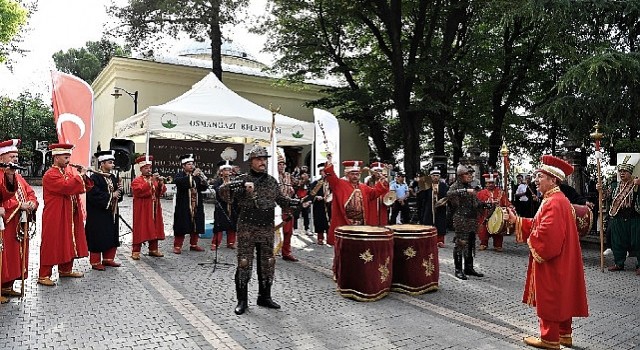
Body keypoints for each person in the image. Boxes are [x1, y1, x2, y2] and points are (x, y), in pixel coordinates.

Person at [506, 155, 588, 349]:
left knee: (550, 295)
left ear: (553, 180)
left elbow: (547, 236)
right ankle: (564, 335)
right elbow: (538, 224)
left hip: (553, 260)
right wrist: (517, 221)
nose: (535, 179)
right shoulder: (558, 199)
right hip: (564, 259)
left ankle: (550, 338)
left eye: (540, 176)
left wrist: (532, 237)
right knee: (563, 294)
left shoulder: (553, 202)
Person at [219, 145, 299, 315]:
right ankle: (242, 301)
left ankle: (265, 297)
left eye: (264, 159)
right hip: (247, 227)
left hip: (266, 228)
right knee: (244, 263)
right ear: (251, 161)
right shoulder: (243, 178)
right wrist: (240, 184)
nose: (263, 162)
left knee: (268, 263)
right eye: (259, 159)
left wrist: (296, 203)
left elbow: (281, 199)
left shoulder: (271, 181)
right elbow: (223, 193)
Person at [39, 143, 93, 286]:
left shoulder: (67, 172)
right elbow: (67, 187)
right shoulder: (50, 174)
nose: (69, 160)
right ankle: (44, 275)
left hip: (69, 213)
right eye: (65, 157)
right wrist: (80, 176)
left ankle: (65, 269)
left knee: (69, 239)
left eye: (69, 156)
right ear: (56, 157)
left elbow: (82, 188)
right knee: (52, 242)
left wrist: (84, 176)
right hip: (55, 214)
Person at [0, 139, 38, 298]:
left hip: (18, 224)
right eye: (11, 156)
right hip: (5, 224)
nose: (15, 159)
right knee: (4, 256)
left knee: (16, 255)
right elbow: (4, 197)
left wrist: (31, 203)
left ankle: (7, 286)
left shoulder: (18, 176)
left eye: (16, 156)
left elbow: (30, 193)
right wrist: (18, 205)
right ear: (1, 158)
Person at [324, 155, 389, 246]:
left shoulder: (363, 187)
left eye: (357, 174)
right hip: (345, 222)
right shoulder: (339, 184)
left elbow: (374, 193)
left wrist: (382, 182)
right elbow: (331, 176)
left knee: (359, 247)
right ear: (347, 174)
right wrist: (330, 163)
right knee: (345, 247)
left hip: (361, 224)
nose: (355, 176)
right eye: (352, 174)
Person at [85, 150, 123, 271]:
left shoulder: (112, 177)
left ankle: (108, 259)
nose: (112, 165)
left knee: (111, 233)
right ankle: (95, 262)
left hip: (111, 212)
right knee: (98, 235)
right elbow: (93, 195)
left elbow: (118, 195)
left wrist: (119, 192)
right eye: (110, 162)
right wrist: (112, 195)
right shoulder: (94, 177)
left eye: (113, 162)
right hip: (98, 213)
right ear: (102, 163)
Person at [447, 164, 485, 280]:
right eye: (467, 174)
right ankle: (458, 269)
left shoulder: (471, 187)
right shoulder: (455, 186)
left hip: (471, 219)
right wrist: (464, 191)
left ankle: (468, 267)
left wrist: (486, 204)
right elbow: (449, 195)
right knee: (461, 243)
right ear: (460, 175)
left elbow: (476, 203)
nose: (470, 176)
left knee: (471, 243)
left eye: (471, 174)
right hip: (461, 218)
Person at [602, 158, 640, 274]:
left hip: (634, 217)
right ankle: (619, 263)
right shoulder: (614, 186)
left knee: (637, 241)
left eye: (625, 171)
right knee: (618, 241)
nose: (622, 173)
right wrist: (600, 189)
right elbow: (606, 196)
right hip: (618, 217)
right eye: (621, 171)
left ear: (630, 173)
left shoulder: (636, 184)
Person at [130, 154, 166, 260]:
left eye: (150, 167)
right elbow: (140, 191)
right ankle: (136, 250)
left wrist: (160, 184)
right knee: (140, 228)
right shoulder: (137, 180)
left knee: (154, 227)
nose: (149, 170)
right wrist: (150, 182)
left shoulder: (154, 179)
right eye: (146, 168)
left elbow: (160, 193)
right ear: (141, 169)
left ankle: (153, 249)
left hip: (154, 208)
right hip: (142, 209)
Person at [172, 154, 208, 254]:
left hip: (196, 203)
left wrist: (203, 180)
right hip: (184, 205)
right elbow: (181, 183)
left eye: (192, 164)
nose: (191, 166)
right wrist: (193, 176)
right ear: (183, 166)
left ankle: (194, 244)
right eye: (189, 164)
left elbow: (204, 187)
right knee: (181, 224)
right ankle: (177, 246)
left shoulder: (197, 175)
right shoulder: (179, 175)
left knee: (196, 224)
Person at [476, 172, 514, 252]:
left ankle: (498, 245)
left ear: (495, 183)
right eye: (488, 183)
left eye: (492, 183)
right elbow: (477, 203)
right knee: (484, 230)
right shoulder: (481, 193)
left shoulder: (501, 193)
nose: (490, 184)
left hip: (497, 215)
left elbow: (506, 203)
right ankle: (483, 243)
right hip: (485, 215)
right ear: (486, 184)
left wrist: (510, 207)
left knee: (498, 229)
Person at [211, 160, 238, 250]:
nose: (228, 172)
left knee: (232, 224)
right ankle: (215, 243)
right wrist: (225, 185)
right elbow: (217, 189)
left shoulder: (234, 180)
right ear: (221, 171)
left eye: (229, 170)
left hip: (232, 205)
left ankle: (231, 242)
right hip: (221, 205)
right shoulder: (218, 181)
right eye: (225, 170)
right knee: (219, 224)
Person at [277, 151, 298, 261]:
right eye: (279, 164)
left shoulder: (288, 176)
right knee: (276, 229)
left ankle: (286, 252)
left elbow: (298, 184)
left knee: (288, 231)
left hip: (288, 206)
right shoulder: (273, 176)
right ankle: (272, 250)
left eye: (283, 164)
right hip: (276, 207)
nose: (281, 166)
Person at [420, 168, 449, 247]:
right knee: (428, 222)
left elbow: (447, 196)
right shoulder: (426, 185)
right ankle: (428, 240)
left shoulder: (443, 185)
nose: (435, 177)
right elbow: (422, 197)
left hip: (440, 207)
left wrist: (444, 202)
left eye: (437, 175)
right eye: (433, 175)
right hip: (429, 207)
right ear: (430, 176)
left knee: (440, 223)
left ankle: (440, 240)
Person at [305, 163, 331, 245]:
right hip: (319, 205)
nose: (323, 173)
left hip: (329, 205)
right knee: (319, 221)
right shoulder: (316, 183)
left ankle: (329, 238)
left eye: (324, 171)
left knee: (329, 221)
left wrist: (328, 198)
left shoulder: (331, 183)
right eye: (322, 171)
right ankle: (320, 238)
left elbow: (334, 192)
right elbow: (311, 194)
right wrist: (316, 197)